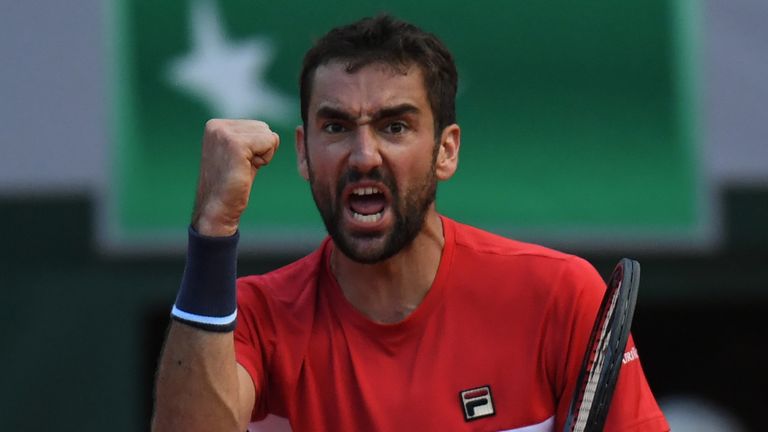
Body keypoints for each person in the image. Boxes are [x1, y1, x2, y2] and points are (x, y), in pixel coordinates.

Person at [152, 15, 669, 432]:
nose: (363, 155)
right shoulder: (256, 318)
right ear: (303, 152)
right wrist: (214, 230)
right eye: (336, 126)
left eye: (394, 126)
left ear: (446, 150)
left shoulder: (558, 295)